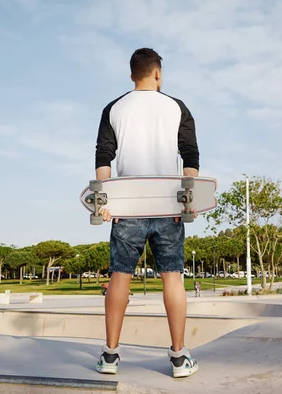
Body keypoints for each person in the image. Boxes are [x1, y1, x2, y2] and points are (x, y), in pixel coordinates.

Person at [93, 48, 199, 378]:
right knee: (173, 277)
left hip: (127, 206)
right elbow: (191, 157)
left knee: (119, 276)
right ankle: (179, 359)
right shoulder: (176, 107)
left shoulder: (114, 108)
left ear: (131, 76)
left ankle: (110, 356)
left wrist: (106, 202)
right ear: (158, 74)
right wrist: (188, 201)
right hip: (168, 205)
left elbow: (103, 159)